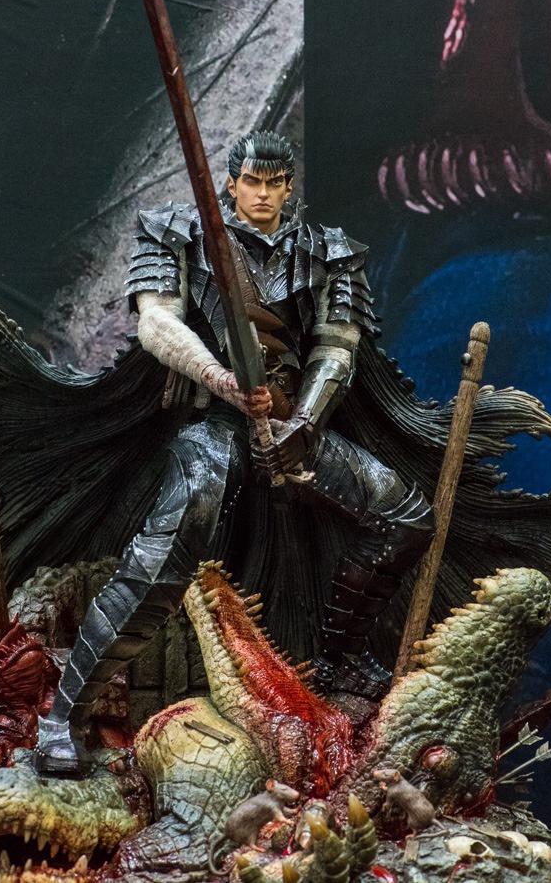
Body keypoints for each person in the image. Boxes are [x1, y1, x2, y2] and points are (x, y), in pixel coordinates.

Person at [35, 129, 435, 773]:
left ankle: (338, 659)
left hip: (289, 423)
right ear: (230, 182)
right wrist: (221, 379)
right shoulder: (179, 232)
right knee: (171, 544)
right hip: (211, 423)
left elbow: (338, 345)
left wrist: (304, 422)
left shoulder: (328, 252)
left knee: (406, 516)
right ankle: (64, 717)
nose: (263, 194)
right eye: (252, 182)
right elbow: (157, 322)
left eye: (275, 184)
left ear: (289, 186)